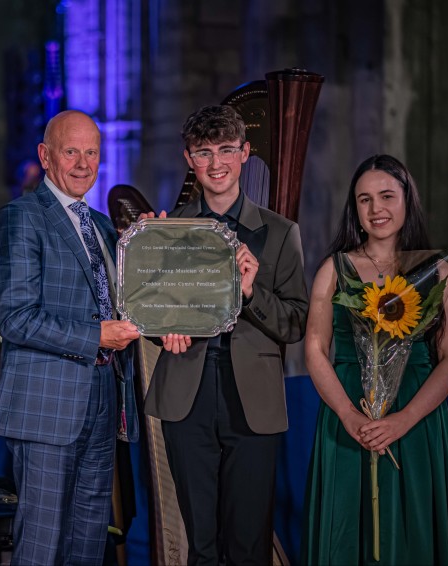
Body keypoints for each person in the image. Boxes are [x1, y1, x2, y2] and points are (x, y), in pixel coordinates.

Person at [143, 105, 309, 565]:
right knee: (201, 542)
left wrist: (252, 292)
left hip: (251, 398)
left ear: (245, 153)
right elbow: (151, 312)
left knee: (249, 542)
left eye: (226, 150)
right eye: (203, 152)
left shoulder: (281, 232)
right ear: (188, 159)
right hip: (187, 393)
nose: (216, 163)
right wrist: (163, 331)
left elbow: (296, 323)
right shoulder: (166, 230)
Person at [0, 109, 141, 565]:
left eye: (91, 152)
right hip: (45, 405)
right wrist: (95, 336)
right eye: (70, 151)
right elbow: (15, 318)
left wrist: (154, 245)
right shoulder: (21, 217)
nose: (82, 163)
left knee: (89, 540)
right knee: (42, 543)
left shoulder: (104, 226)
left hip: (102, 395)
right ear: (45, 156)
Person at [301, 154, 448, 564]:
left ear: (407, 200)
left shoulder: (439, 273)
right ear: (355, 209)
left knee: (412, 528)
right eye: (365, 199)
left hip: (417, 418)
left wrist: (403, 420)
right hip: (348, 414)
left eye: (387, 196)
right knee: (348, 526)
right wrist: (348, 415)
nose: (376, 208)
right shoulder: (334, 269)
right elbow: (315, 350)